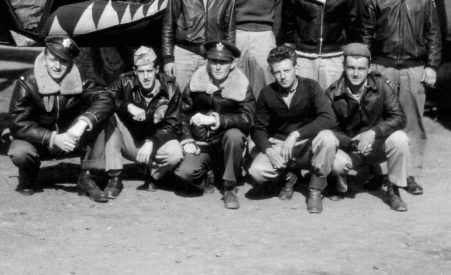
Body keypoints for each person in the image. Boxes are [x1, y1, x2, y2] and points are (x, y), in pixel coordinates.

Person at [361, 0, 441, 195]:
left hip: (413, 68)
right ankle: (378, 172)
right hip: (382, 68)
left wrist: (432, 65)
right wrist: (366, 67)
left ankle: (407, 175)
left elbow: (433, 34)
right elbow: (366, 35)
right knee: (377, 119)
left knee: (412, 121)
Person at [7, 36, 114, 202]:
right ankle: (28, 175)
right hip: (39, 141)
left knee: (100, 120)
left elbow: (105, 98)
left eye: (63, 61)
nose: (57, 66)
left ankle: (87, 177)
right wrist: (53, 138)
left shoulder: (79, 80)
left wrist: (83, 122)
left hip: (70, 138)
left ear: (70, 62)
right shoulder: (28, 82)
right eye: (53, 60)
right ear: (44, 58)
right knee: (19, 151)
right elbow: (17, 123)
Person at [248, 44, 338, 214]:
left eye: (287, 70)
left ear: (296, 68)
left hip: (307, 145)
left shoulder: (311, 86)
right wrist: (269, 151)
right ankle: (289, 176)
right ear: (272, 72)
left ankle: (315, 189)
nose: (282, 76)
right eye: (277, 72)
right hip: (280, 148)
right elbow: (258, 129)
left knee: (328, 138)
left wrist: (295, 135)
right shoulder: (267, 93)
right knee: (257, 171)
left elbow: (328, 118)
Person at [325, 43, 410, 212]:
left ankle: (393, 190)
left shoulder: (381, 86)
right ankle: (340, 184)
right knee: (336, 162)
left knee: (400, 139)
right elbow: (330, 128)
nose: (356, 73)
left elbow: (399, 117)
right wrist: (352, 142)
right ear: (343, 66)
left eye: (361, 68)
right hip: (350, 147)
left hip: (376, 145)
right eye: (351, 68)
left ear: (369, 68)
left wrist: (373, 132)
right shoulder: (332, 93)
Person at [175, 41, 255, 210]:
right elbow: (182, 114)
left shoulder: (241, 84)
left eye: (223, 62)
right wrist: (187, 138)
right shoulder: (197, 80)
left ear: (232, 64)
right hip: (202, 144)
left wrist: (217, 119)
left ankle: (229, 187)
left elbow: (248, 117)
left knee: (234, 135)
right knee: (184, 173)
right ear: (208, 62)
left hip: (227, 145)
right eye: (214, 61)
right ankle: (209, 174)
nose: (218, 67)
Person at [103, 46, 184, 197]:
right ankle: (114, 177)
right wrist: (128, 106)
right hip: (132, 142)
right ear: (135, 71)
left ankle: (153, 175)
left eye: (149, 71)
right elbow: (104, 96)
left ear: (157, 70)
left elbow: (173, 124)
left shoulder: (171, 87)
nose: (145, 76)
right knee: (110, 116)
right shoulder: (125, 81)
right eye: (141, 72)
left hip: (155, 144)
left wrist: (151, 142)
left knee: (176, 153)